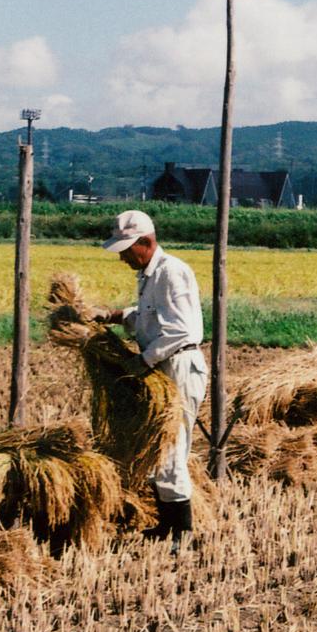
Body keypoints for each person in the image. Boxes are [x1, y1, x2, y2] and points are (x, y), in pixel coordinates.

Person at [98, 209, 207, 550]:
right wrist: (116, 316)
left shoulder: (171, 272)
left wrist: (140, 362)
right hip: (163, 366)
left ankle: (182, 535)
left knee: (170, 449)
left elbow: (180, 329)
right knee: (158, 451)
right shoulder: (150, 274)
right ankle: (167, 528)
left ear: (146, 242)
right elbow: (150, 317)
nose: (123, 258)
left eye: (128, 250)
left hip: (177, 367)